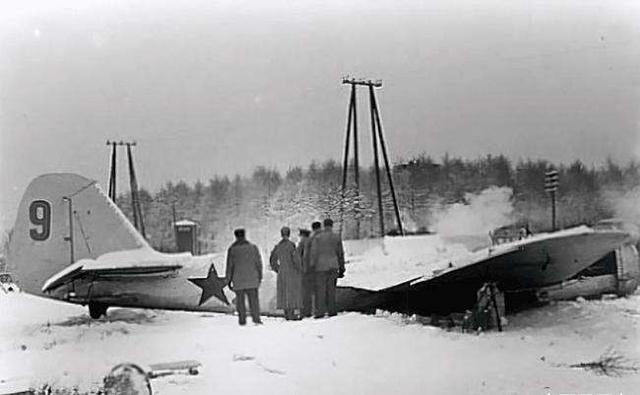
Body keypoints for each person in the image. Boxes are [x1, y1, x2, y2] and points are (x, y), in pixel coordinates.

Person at [225, 228, 263, 326]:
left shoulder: (232, 249)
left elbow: (230, 266)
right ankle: (256, 318)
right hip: (252, 279)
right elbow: (258, 263)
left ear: (236, 236)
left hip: (238, 280)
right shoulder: (253, 248)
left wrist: (228, 280)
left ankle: (242, 320)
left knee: (240, 301)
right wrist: (259, 276)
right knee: (254, 301)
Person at [309, 218, 345, 318]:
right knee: (331, 290)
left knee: (320, 290)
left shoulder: (318, 238)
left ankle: (320, 312)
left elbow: (313, 253)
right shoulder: (336, 237)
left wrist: (312, 266)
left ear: (324, 225)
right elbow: (340, 253)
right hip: (333, 266)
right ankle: (332, 311)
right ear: (332, 225)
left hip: (320, 268)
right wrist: (342, 268)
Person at [269, 226, 303, 320]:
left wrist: (277, 269)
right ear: (289, 234)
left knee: (283, 292)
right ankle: (291, 314)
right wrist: (299, 269)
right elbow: (296, 259)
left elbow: (272, 260)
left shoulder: (278, 246)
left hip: (282, 272)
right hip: (291, 272)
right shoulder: (291, 245)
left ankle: (286, 314)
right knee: (291, 292)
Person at [297, 227, 314, 318]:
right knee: (309, 292)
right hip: (312, 271)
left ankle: (304, 312)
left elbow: (301, 257)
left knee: (304, 292)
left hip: (304, 271)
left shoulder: (303, 243)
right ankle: (309, 310)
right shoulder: (312, 242)